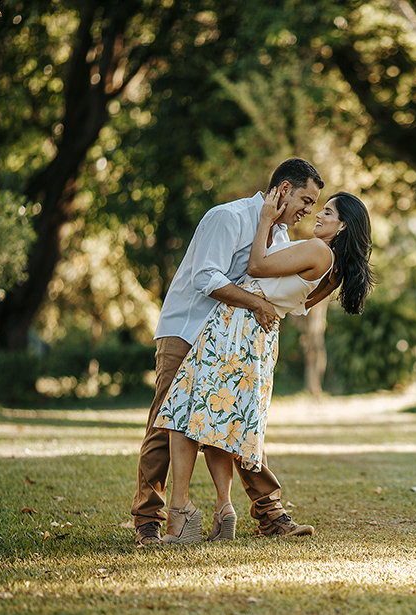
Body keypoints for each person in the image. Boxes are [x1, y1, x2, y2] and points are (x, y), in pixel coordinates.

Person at [154, 189, 374, 543]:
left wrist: (264, 220)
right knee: (219, 423)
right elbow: (297, 304)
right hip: (259, 336)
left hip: (236, 324)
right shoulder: (334, 270)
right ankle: (223, 509)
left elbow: (256, 267)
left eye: (328, 213)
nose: (318, 214)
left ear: (344, 225)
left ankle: (181, 513)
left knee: (182, 410)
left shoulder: (318, 251)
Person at [131, 158, 324, 548]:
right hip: (187, 329)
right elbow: (206, 277)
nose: (308, 210)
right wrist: (255, 305)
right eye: (306, 198)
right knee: (166, 425)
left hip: (227, 343)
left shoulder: (281, 238)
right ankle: (148, 520)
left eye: (315, 203)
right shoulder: (228, 217)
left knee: (235, 422)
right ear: (283, 190)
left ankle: (266, 513)